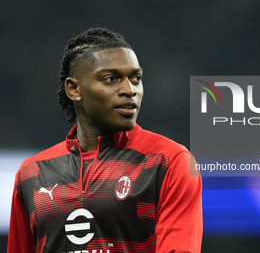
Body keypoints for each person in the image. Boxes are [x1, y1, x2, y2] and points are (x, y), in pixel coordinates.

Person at [7, 28, 202, 253]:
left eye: (136, 79)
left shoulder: (170, 162)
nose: (130, 90)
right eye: (111, 79)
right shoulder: (32, 173)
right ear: (74, 89)